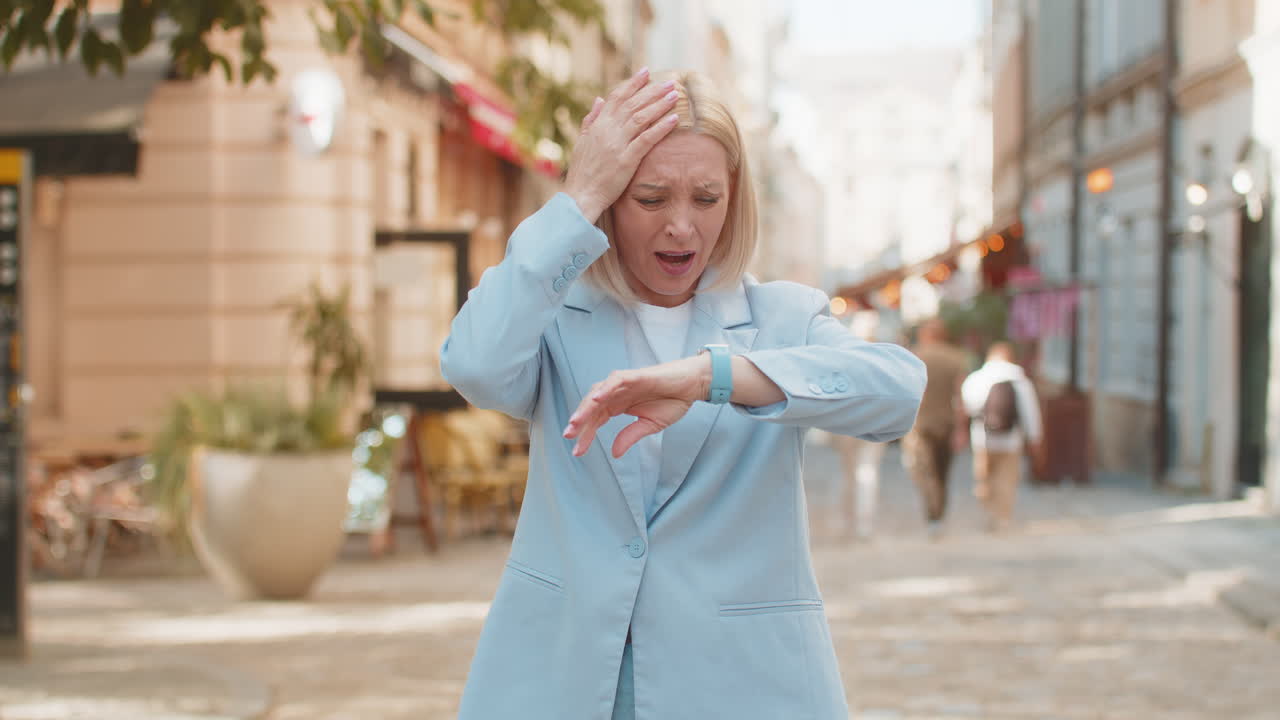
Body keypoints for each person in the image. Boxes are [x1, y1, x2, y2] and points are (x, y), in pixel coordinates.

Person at [440, 68, 926, 720]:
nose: (681, 227)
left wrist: (712, 377)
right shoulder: (553, 317)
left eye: (706, 198)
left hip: (742, 683)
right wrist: (578, 195)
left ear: (735, 199)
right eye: (650, 198)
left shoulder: (785, 318)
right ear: (613, 199)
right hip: (565, 678)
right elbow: (472, 364)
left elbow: (897, 394)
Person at [960, 341, 1043, 532]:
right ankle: (1002, 517)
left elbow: (969, 406)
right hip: (1011, 440)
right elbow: (1030, 412)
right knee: (1007, 479)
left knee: (984, 477)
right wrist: (1035, 438)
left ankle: (989, 510)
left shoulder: (978, 378)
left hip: (982, 438)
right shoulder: (1020, 380)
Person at [901, 317, 971, 539]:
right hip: (947, 423)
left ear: (925, 335)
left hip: (920, 425)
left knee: (926, 472)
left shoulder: (914, 356)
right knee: (943, 473)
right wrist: (962, 430)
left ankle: (933, 516)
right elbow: (961, 398)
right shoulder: (956, 358)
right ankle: (939, 515)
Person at [829, 310, 886, 541]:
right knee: (868, 473)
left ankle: (848, 521)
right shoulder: (881, 358)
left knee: (849, 474)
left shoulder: (843, 356)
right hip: (873, 422)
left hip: (846, 424)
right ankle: (863, 523)